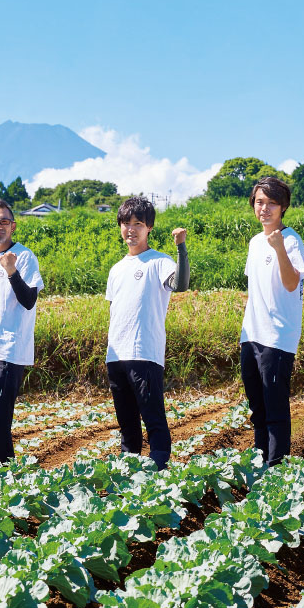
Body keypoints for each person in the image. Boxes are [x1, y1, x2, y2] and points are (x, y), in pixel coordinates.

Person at [105, 197, 189, 470]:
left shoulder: (159, 261)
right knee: (127, 422)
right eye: (126, 223)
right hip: (116, 356)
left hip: (145, 353)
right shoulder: (116, 269)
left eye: (138, 224)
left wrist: (181, 248)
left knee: (153, 418)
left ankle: (159, 469)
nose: (131, 229)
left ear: (149, 227)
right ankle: (129, 471)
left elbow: (181, 284)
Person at [240, 176, 304, 468]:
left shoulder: (290, 240)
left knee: (276, 408)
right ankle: (260, 465)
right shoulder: (255, 242)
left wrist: (279, 247)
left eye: (271, 203)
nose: (264, 209)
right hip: (251, 335)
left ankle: (276, 470)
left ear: (283, 207)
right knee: (257, 409)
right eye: (259, 202)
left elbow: (292, 283)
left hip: (278, 337)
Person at [0, 199, 44, 462]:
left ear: (13, 226)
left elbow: (28, 300)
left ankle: (7, 477)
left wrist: (12, 271)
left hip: (8, 351)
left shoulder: (24, 256)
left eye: (3, 221)